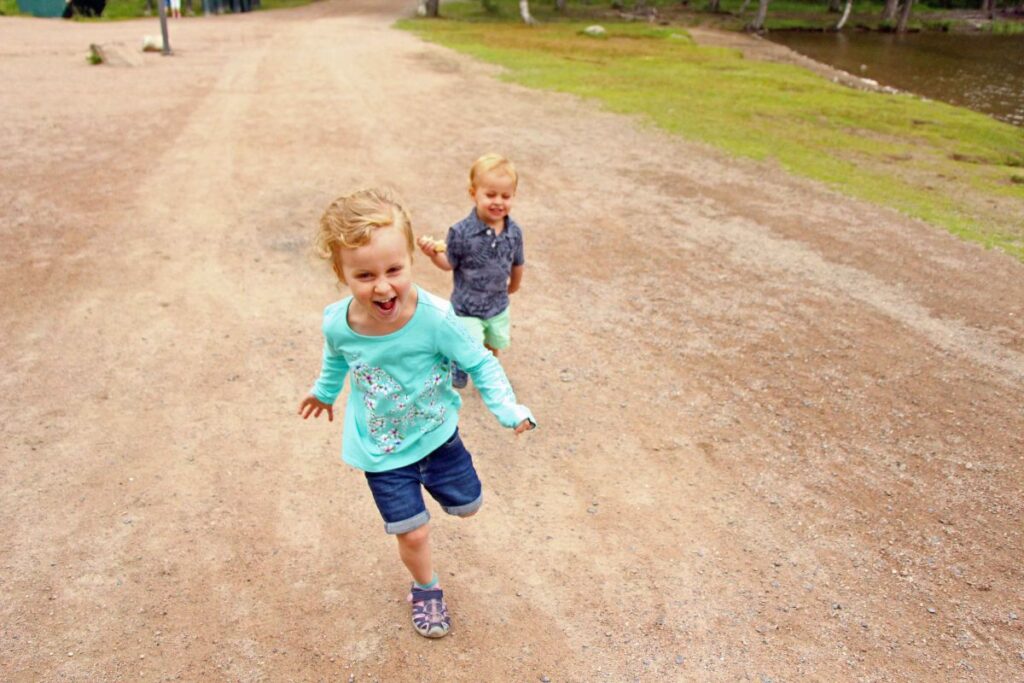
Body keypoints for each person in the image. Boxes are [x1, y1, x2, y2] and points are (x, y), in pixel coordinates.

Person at [297, 188, 536, 639]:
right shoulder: (337, 322)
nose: (382, 286)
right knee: (413, 533)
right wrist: (324, 393)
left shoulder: (437, 319)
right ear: (340, 272)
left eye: (393, 270)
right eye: (364, 275)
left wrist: (508, 408)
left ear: (410, 259)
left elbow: (481, 362)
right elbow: (337, 359)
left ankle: (448, 496)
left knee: (468, 507)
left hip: (437, 436)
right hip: (382, 451)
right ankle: (427, 589)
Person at [418, 153, 526, 388]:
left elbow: (518, 262)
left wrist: (514, 286)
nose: (498, 202)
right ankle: (458, 364)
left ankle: (489, 370)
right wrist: (433, 254)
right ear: (473, 193)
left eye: (506, 196)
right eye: (490, 195)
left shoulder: (514, 232)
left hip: (498, 302)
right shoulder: (460, 232)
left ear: (513, 197)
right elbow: (449, 263)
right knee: (467, 342)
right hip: (467, 305)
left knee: (493, 339)